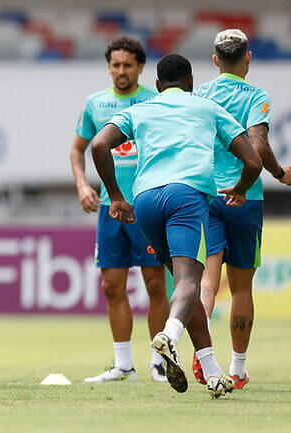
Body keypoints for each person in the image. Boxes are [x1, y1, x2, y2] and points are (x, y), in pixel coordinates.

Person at [91, 53, 262, 398]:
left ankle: (212, 372)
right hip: (187, 197)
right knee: (188, 282)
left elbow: (98, 145)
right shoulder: (206, 107)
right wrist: (241, 189)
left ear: (156, 85)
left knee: (185, 287)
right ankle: (168, 336)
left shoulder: (140, 109)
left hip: (145, 202)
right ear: (191, 83)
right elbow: (253, 159)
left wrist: (115, 195)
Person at [193, 29, 291, 389]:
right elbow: (258, 143)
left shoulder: (198, 93)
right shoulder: (257, 96)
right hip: (244, 197)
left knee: (206, 282)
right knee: (242, 290)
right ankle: (237, 369)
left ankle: (202, 355)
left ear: (215, 60)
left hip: (205, 194)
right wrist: (280, 173)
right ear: (248, 58)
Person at [70, 37, 169, 382]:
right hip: (110, 208)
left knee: (156, 283)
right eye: (116, 65)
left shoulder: (155, 102)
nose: (121, 71)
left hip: (147, 204)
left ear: (141, 67)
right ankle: (123, 365)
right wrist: (83, 184)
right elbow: (77, 149)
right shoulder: (95, 104)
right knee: (112, 285)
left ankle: (161, 362)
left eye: (128, 65)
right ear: (108, 66)